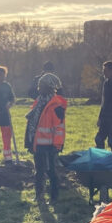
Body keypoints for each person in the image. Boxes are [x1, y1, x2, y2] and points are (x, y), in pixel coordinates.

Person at [24, 73, 66, 201]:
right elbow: (33, 123)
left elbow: (59, 128)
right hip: (38, 143)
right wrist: (30, 142)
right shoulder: (39, 102)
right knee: (39, 171)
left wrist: (56, 146)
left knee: (51, 172)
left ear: (49, 87)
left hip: (49, 145)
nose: (38, 88)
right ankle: (39, 195)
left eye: (41, 85)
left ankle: (54, 197)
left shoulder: (56, 106)